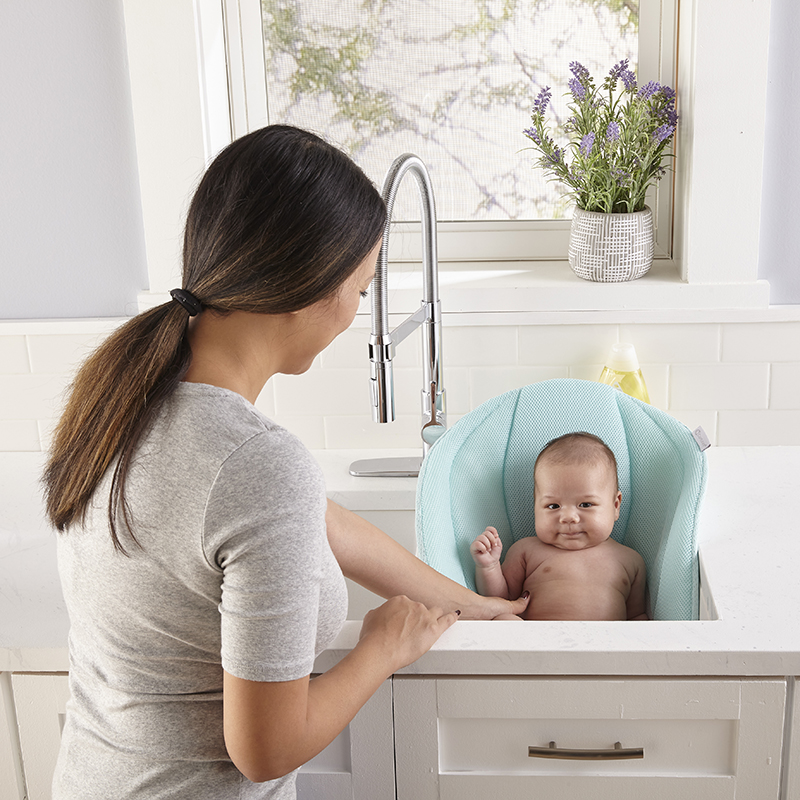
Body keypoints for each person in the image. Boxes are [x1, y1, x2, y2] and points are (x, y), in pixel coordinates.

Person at [43, 125, 529, 799]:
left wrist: (467, 603)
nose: (357, 313)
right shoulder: (255, 464)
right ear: (311, 287)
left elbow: (315, 521)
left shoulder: (124, 401)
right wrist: (380, 649)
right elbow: (264, 751)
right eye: (361, 292)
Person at [470, 432, 648, 621]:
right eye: (553, 506)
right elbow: (501, 601)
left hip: (605, 646)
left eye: (585, 505)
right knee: (503, 621)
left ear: (615, 505)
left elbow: (636, 616)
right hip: (536, 644)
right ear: (535, 506)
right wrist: (489, 567)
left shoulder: (629, 561)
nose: (568, 517)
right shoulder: (526, 551)